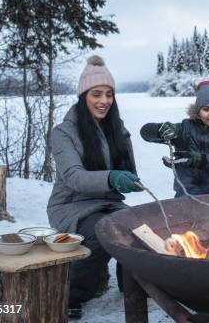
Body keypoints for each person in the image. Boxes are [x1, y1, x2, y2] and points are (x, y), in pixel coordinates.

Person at [47, 56, 142, 319]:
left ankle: (133, 286)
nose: (104, 101)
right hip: (72, 205)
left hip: (109, 204)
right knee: (104, 231)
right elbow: (73, 177)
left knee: (140, 226)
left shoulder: (118, 130)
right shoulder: (64, 132)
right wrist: (112, 178)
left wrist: (130, 180)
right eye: (96, 94)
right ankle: (72, 294)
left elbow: (128, 173)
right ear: (83, 96)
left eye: (109, 95)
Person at [140, 80, 209, 197]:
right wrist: (160, 130)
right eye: (206, 109)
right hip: (187, 192)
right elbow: (145, 132)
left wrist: (199, 159)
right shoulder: (185, 128)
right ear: (198, 111)